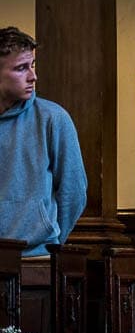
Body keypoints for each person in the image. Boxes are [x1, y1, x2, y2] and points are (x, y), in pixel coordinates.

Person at [0, 27, 87, 257]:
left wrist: (51, 239)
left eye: (33, 65)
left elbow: (74, 192)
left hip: (37, 257)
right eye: (21, 68)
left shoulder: (53, 118)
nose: (33, 76)